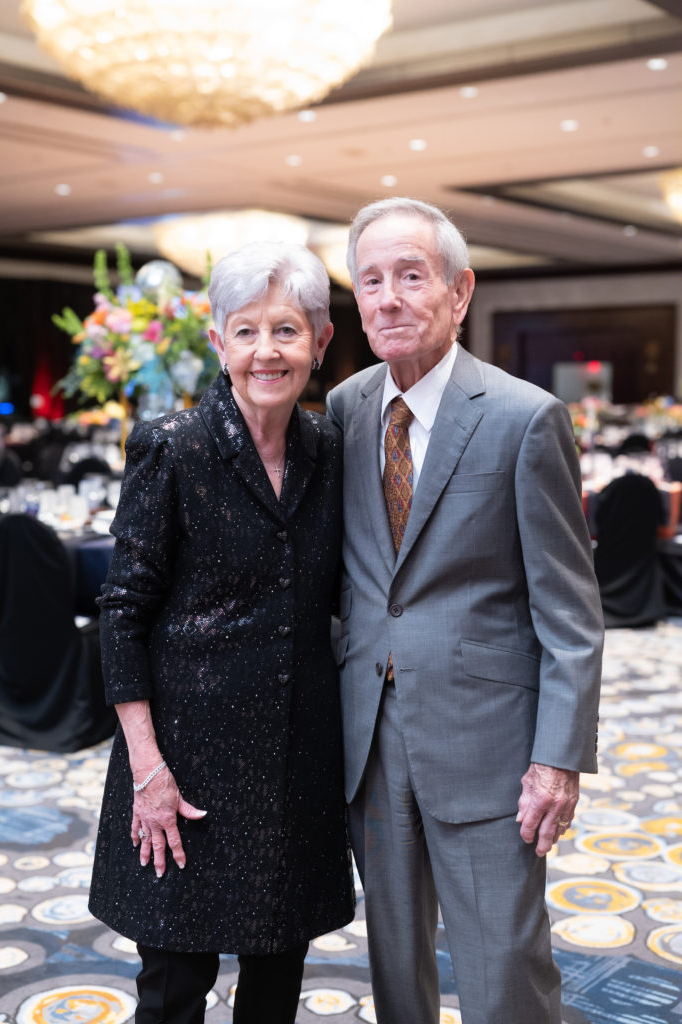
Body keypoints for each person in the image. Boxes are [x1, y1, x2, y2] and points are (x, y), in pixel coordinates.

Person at [326, 197, 603, 1024]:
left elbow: (570, 611)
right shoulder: (342, 412)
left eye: (411, 276)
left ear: (460, 290)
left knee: (504, 965)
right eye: (370, 281)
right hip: (369, 736)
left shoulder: (523, 418)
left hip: (489, 742)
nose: (388, 298)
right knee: (394, 963)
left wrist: (558, 758)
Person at [89, 241, 355, 1024]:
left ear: (321, 341)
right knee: (174, 985)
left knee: (276, 982)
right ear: (216, 341)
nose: (265, 352)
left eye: (286, 330)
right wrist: (148, 771)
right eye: (245, 332)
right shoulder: (174, 447)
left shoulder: (330, 448)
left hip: (295, 762)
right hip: (185, 769)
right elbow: (122, 610)